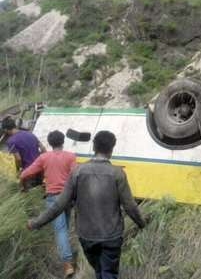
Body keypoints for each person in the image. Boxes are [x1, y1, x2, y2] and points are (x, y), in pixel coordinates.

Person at [28, 130, 146, 279]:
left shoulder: (78, 172)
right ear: (111, 149)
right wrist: (142, 224)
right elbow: (130, 207)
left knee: (99, 270)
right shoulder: (117, 173)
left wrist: (36, 223)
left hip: (87, 236)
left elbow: (59, 205)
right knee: (108, 272)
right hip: (112, 235)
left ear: (93, 147)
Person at [20, 130, 77, 278]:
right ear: (62, 141)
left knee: (61, 230)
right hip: (68, 197)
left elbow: (26, 173)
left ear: (50, 143)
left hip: (53, 198)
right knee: (65, 226)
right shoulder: (71, 157)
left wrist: (22, 184)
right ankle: (68, 254)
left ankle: (67, 264)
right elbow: (76, 176)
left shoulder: (44, 158)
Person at [1, 116, 46, 186]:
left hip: (29, 171)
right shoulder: (30, 134)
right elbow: (43, 149)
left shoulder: (11, 141)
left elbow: (18, 159)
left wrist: (19, 170)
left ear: (6, 130)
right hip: (40, 168)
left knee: (30, 193)